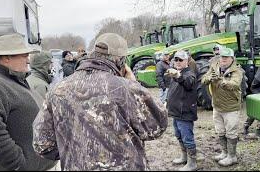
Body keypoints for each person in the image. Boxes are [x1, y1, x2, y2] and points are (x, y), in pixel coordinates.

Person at [32, 33, 168, 171]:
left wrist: (74, 152)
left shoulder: (57, 90)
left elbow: (42, 145)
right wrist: (134, 84)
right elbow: (157, 126)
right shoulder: (127, 88)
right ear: (121, 61)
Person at [0, 33, 57, 171]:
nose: (28, 60)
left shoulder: (16, 80)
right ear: (6, 58)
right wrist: (19, 164)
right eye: (24, 56)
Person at [201, 48, 243, 167]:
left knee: (231, 133)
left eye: (226, 57)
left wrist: (221, 81)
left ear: (232, 59)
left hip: (231, 108)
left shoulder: (237, 71)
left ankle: (232, 156)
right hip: (217, 106)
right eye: (222, 57)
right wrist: (209, 78)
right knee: (220, 131)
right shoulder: (214, 66)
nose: (223, 59)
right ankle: (224, 152)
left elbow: (234, 84)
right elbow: (203, 79)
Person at [166, 50, 198, 171]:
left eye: (181, 60)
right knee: (178, 135)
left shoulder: (189, 73)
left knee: (187, 138)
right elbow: (173, 91)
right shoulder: (176, 73)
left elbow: (188, 83)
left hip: (185, 113)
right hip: (176, 112)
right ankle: (184, 157)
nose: (178, 62)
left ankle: (192, 163)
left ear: (187, 61)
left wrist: (178, 76)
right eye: (176, 59)